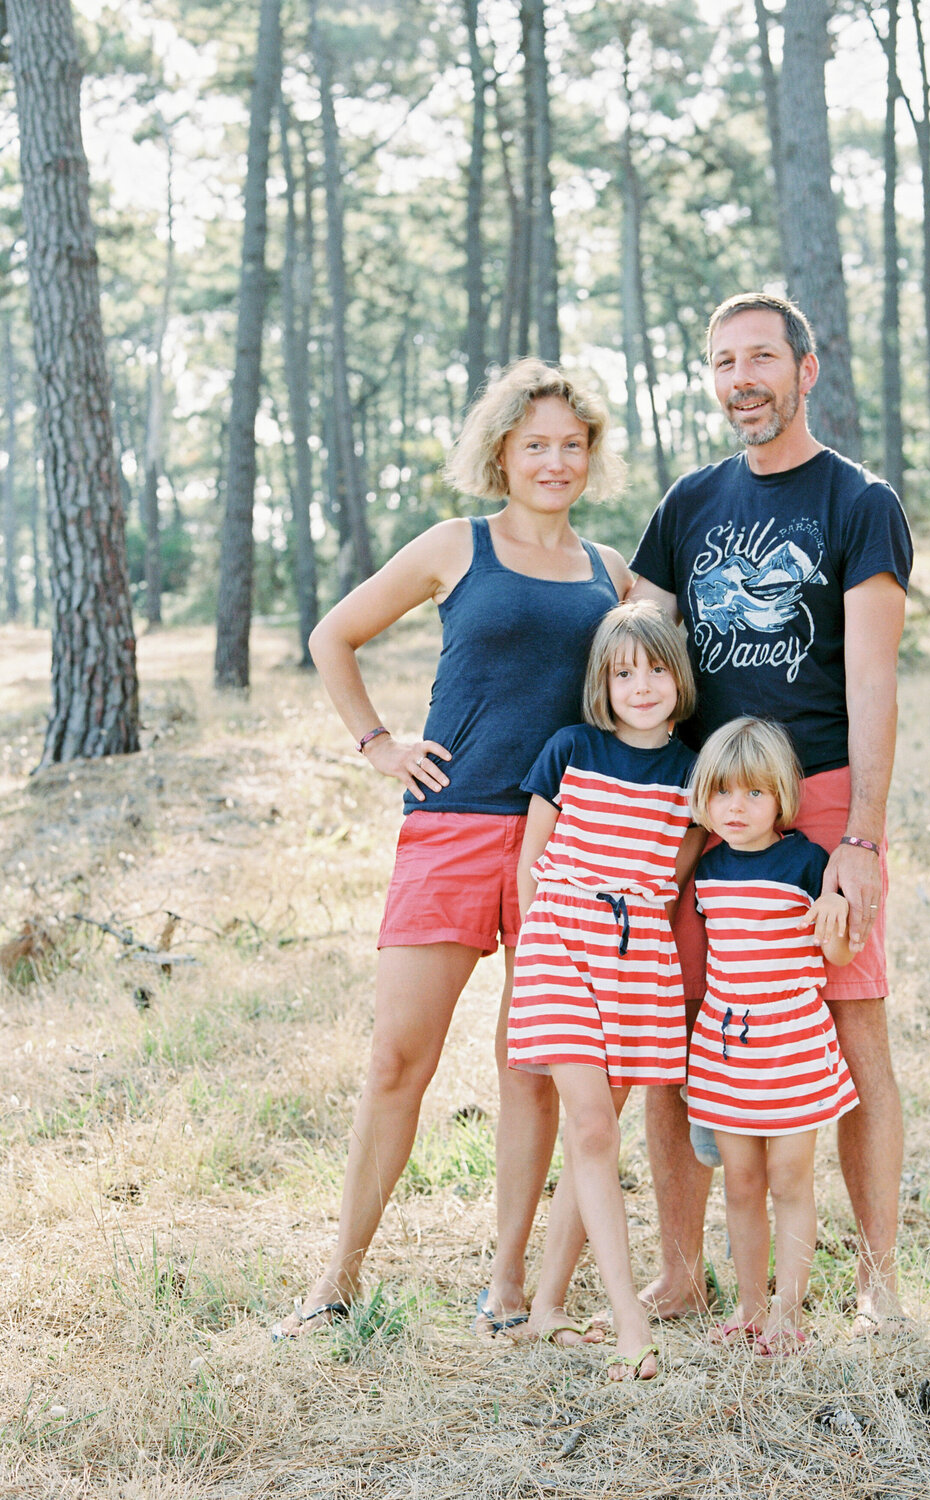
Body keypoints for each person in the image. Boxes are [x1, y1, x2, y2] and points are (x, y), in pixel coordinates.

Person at [273, 360, 630, 1339]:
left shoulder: (611, 574)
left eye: (571, 444)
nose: (554, 462)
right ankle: (334, 1283)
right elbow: (332, 635)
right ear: (502, 455)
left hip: (562, 843)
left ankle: (509, 1287)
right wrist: (377, 742)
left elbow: (660, 668)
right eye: (535, 445)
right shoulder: (454, 546)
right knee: (398, 1059)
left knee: (531, 1065)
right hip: (453, 823)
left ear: (589, 456)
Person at [628, 291, 914, 1338]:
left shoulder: (858, 501)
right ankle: (681, 1271)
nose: (739, 377)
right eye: (721, 361)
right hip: (699, 813)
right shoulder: (689, 504)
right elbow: (636, 655)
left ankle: (878, 1280)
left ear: (806, 370)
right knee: (675, 1032)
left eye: (759, 357)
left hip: (819, 800)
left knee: (849, 1030)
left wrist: (863, 842)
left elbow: (875, 683)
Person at [505, 600, 706, 1380]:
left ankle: (550, 1306)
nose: (643, 685)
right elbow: (531, 865)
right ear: (604, 683)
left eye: (657, 669)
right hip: (561, 940)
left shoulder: (693, 775)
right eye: (625, 673)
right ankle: (630, 1325)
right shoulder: (570, 751)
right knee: (590, 1124)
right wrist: (537, 958)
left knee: (594, 1132)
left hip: (636, 958)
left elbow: (670, 875)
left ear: (678, 678)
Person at [686, 717, 858, 1356]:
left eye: (755, 794)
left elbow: (837, 955)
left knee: (789, 1178)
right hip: (729, 1045)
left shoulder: (805, 861)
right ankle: (749, 1304)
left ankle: (789, 1308)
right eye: (724, 792)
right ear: (705, 795)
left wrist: (835, 915)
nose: (738, 807)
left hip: (792, 1040)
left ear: (781, 798)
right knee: (740, 1182)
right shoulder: (706, 870)